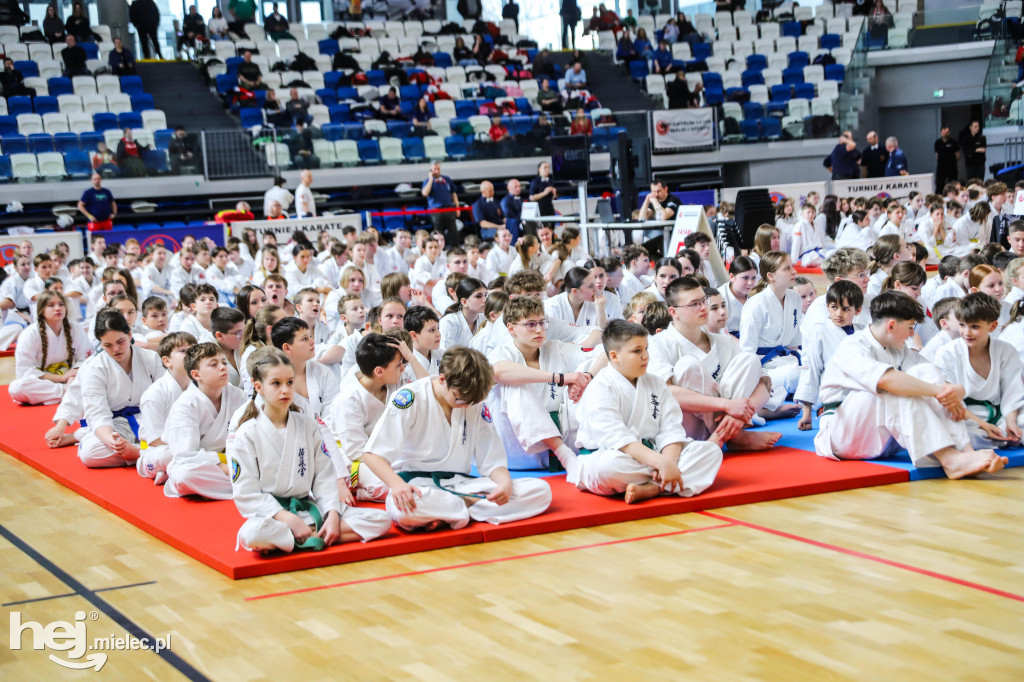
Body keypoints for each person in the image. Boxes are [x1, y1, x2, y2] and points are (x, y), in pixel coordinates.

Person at [814, 290, 1007, 478]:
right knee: (895, 387)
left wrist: (976, 419)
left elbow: (932, 379)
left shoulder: (899, 350)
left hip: (881, 437)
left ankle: (965, 452)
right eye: (910, 327)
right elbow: (887, 381)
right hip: (842, 436)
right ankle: (950, 459)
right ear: (891, 326)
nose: (911, 334)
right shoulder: (852, 347)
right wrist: (938, 391)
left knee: (926, 372)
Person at [361, 347, 552, 531]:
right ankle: (473, 507)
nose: (467, 406)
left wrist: (504, 484)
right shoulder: (410, 397)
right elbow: (372, 455)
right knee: (407, 510)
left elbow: (492, 458)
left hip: (462, 485)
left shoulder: (473, 400)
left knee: (541, 490)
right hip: (417, 486)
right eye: (460, 399)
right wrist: (397, 485)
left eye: (472, 402)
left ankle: (454, 512)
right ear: (442, 379)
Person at [231, 348, 391, 552]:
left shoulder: (306, 423)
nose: (285, 390)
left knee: (381, 519)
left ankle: (306, 537)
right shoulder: (247, 432)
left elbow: (324, 475)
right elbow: (245, 492)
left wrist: (332, 513)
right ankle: (315, 534)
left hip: (309, 507)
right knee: (252, 534)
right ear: (258, 387)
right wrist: (286, 517)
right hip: (273, 515)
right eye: (276, 383)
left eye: (290, 382)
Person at [573, 320, 723, 503]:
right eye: (637, 351)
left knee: (710, 451)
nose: (645, 356)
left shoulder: (656, 383)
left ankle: (655, 488)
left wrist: (668, 461)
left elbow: (671, 429)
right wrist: (662, 464)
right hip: (615, 458)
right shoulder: (600, 388)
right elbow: (618, 438)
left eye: (646, 349)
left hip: (654, 457)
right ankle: (669, 482)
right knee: (607, 466)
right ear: (614, 356)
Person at [649, 276, 779, 449]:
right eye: (694, 304)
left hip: (729, 419)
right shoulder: (658, 343)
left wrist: (739, 414)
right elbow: (666, 392)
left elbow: (765, 383)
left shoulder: (725, 341)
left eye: (703, 300)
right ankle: (729, 436)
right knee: (688, 366)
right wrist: (727, 405)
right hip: (685, 429)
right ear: (674, 312)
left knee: (750, 359)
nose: (703, 307)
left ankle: (730, 433)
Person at [488, 297, 597, 471]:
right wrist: (561, 378)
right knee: (514, 383)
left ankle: (603, 448)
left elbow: (606, 353)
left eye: (542, 323)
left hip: (563, 438)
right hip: (520, 448)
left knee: (590, 376)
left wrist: (587, 376)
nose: (539, 330)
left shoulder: (556, 348)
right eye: (530, 325)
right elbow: (498, 372)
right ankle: (564, 454)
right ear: (511, 328)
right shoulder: (501, 353)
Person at [932, 293, 1023, 447]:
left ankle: (1005, 434)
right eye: (962, 325)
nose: (967, 332)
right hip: (966, 418)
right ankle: (995, 438)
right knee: (956, 432)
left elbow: (1012, 392)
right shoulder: (947, 353)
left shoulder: (1005, 351)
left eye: (975, 326)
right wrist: (983, 425)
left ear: (992, 326)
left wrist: (1011, 422)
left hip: (1001, 415)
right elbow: (951, 402)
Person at [77, 310, 164, 468]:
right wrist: (111, 440)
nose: (116, 349)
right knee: (90, 453)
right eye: (108, 345)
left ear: (130, 334)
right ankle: (151, 455)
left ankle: (139, 453)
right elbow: (97, 415)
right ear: (100, 343)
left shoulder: (151, 358)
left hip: (151, 420)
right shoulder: (94, 368)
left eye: (120, 341)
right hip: (116, 425)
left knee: (186, 437)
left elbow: (167, 398)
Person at [160, 342, 247, 499]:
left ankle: (240, 483)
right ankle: (249, 486)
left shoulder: (238, 395)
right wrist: (226, 467)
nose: (222, 367)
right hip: (200, 464)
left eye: (224, 362)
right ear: (196, 375)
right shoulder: (185, 405)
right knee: (184, 476)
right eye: (213, 364)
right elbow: (185, 455)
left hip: (233, 460)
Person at [739, 251, 803, 413]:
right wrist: (758, 377)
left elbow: (795, 342)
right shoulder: (756, 304)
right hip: (764, 366)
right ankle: (769, 409)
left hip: (787, 361)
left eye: (793, 267)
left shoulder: (794, 298)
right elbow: (747, 351)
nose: (794, 271)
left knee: (816, 370)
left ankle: (790, 394)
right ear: (771, 276)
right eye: (787, 268)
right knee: (796, 375)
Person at [795, 281, 864, 430]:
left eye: (846, 309)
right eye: (834, 307)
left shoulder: (863, 332)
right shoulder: (820, 331)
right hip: (831, 393)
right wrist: (806, 413)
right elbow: (811, 369)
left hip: (858, 391)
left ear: (857, 311)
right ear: (827, 307)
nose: (839, 314)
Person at [8, 291, 91, 406]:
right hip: (42, 381)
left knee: (94, 376)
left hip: (71, 378)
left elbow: (86, 358)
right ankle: (67, 391)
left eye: (61, 304)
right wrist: (61, 378)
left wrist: (74, 374)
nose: (58, 308)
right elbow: (25, 371)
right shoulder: (30, 334)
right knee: (17, 388)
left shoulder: (75, 329)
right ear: (42, 310)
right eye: (51, 305)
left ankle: (70, 390)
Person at [134, 332, 196, 484]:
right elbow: (155, 440)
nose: (191, 355)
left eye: (194, 349)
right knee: (166, 456)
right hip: (159, 449)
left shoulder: (200, 385)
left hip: (193, 445)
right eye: (183, 351)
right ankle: (164, 468)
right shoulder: (154, 394)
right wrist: (190, 446)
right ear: (167, 361)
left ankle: (171, 472)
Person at [422, 162, 461, 246]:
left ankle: (455, 250)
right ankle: (439, 250)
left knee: (454, 232)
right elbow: (425, 193)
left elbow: (453, 193)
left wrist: (457, 207)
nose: (437, 171)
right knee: (438, 233)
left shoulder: (446, 179)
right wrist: (430, 179)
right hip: (436, 211)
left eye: (438, 169)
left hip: (449, 209)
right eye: (434, 169)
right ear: (431, 170)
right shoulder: (427, 181)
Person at [934, 126, 961, 192]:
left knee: (953, 184)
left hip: (952, 167)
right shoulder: (937, 142)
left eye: (946, 132)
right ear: (941, 132)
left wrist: (953, 161)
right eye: (943, 132)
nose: (945, 133)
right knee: (939, 184)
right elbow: (937, 155)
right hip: (941, 167)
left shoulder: (954, 142)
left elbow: (957, 155)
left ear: (949, 132)